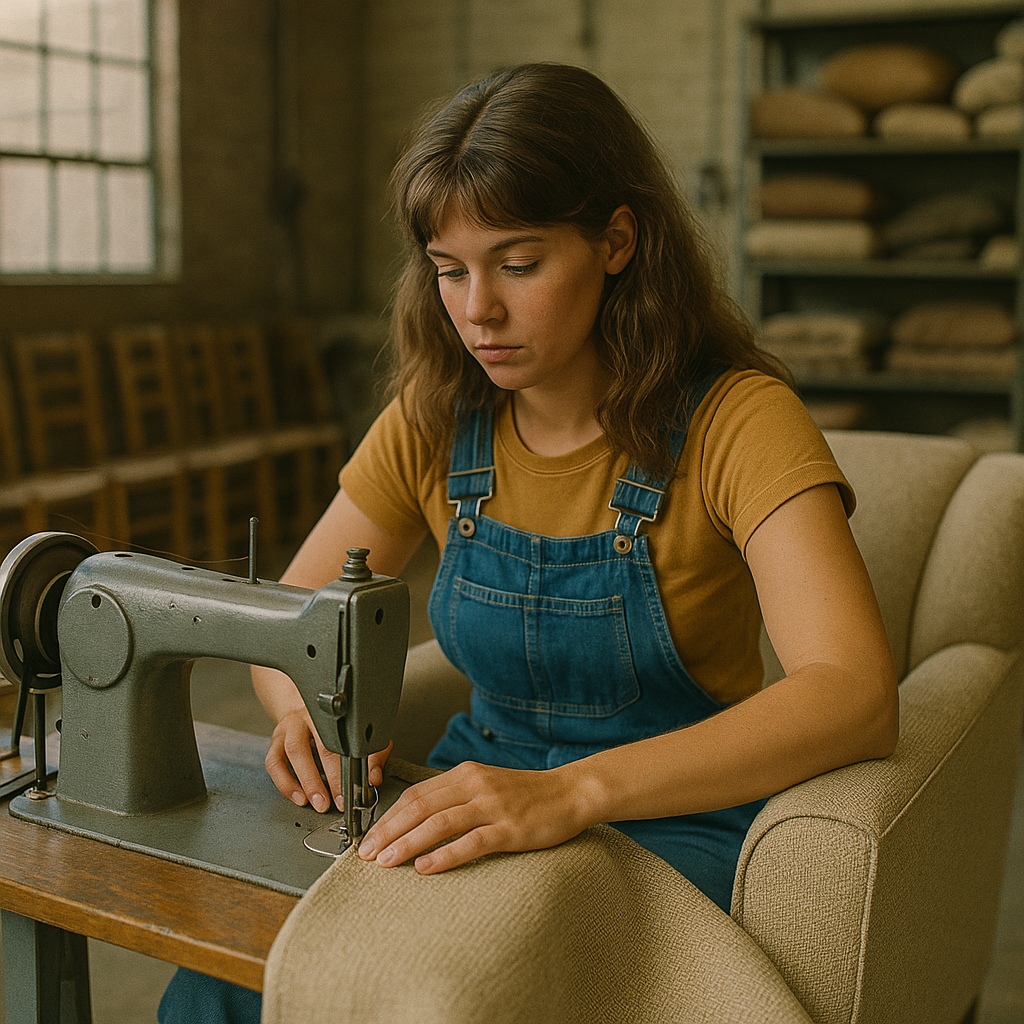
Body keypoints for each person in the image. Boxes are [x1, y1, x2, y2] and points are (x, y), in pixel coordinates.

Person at [159, 62, 898, 1024]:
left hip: (670, 815)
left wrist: (573, 793)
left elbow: (853, 693)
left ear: (617, 242)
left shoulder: (738, 421)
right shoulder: (434, 415)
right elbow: (295, 618)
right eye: (449, 270)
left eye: (517, 264)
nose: (477, 312)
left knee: (455, 994)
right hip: (479, 784)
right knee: (225, 975)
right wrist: (302, 702)